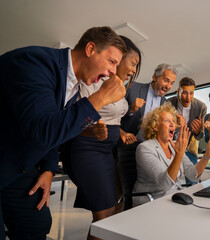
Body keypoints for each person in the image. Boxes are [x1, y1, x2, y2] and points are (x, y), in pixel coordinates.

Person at [0, 26, 127, 240]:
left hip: (17, 164)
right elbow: (42, 132)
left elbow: (54, 128)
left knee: (37, 222)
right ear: (90, 49)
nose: (115, 71)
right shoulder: (34, 62)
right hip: (6, 157)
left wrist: (49, 169)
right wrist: (100, 99)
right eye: (112, 61)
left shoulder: (74, 87)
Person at [61, 36, 141, 240]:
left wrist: (121, 132)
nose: (133, 70)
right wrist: (91, 130)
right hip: (87, 149)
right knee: (105, 215)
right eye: (132, 63)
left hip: (108, 152)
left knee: (108, 214)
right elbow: (73, 117)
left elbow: (113, 119)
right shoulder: (94, 80)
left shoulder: (121, 89)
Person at [133, 103, 210, 205]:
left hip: (175, 197)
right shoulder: (144, 148)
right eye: (166, 121)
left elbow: (193, 175)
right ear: (155, 126)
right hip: (152, 200)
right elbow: (165, 184)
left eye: (173, 121)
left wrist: (208, 151)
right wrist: (179, 154)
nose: (172, 124)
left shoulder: (174, 146)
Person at [117, 64, 177, 209]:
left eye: (172, 83)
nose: (168, 86)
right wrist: (131, 110)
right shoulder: (133, 88)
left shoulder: (165, 103)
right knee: (128, 191)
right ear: (155, 77)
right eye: (166, 80)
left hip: (150, 151)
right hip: (127, 147)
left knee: (146, 190)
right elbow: (113, 113)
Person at [168, 77, 207, 184]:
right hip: (170, 147)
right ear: (178, 91)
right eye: (184, 93)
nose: (188, 97)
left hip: (189, 149)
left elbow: (200, 137)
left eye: (191, 93)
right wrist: (176, 125)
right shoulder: (168, 103)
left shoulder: (201, 107)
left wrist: (198, 131)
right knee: (170, 181)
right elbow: (163, 129)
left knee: (193, 181)